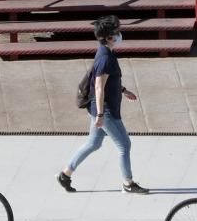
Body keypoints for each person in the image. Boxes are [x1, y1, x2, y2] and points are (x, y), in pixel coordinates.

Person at [57, 16, 149, 195]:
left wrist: (123, 90)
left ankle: (65, 174)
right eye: (116, 32)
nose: (120, 35)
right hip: (105, 111)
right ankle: (128, 184)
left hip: (100, 109)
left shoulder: (105, 53)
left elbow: (107, 82)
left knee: (93, 143)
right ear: (108, 37)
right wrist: (100, 115)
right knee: (124, 145)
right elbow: (99, 87)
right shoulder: (105, 58)